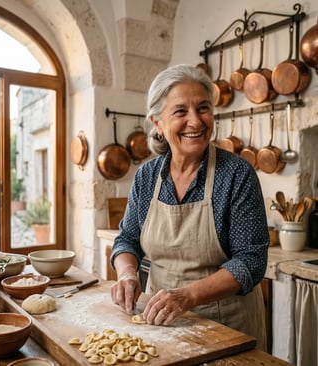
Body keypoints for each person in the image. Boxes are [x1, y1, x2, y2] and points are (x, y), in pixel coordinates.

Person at [110, 64, 269, 350]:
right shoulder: (147, 177)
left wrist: (187, 296)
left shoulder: (236, 174)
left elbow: (251, 261)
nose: (195, 121)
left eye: (203, 108)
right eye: (181, 111)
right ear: (157, 122)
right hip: (160, 320)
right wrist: (127, 274)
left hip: (227, 326)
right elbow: (127, 240)